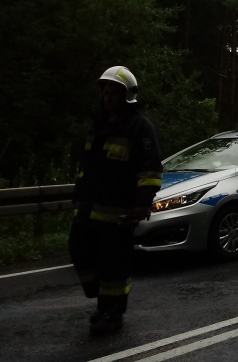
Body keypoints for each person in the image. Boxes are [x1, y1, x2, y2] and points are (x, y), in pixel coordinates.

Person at [69, 66, 162, 336]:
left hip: (118, 212)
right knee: (79, 250)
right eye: (106, 92)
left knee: (114, 266)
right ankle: (102, 300)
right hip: (88, 208)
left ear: (127, 96)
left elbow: (150, 171)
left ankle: (112, 313)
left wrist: (141, 204)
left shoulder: (140, 128)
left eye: (114, 92)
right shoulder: (98, 125)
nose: (108, 97)